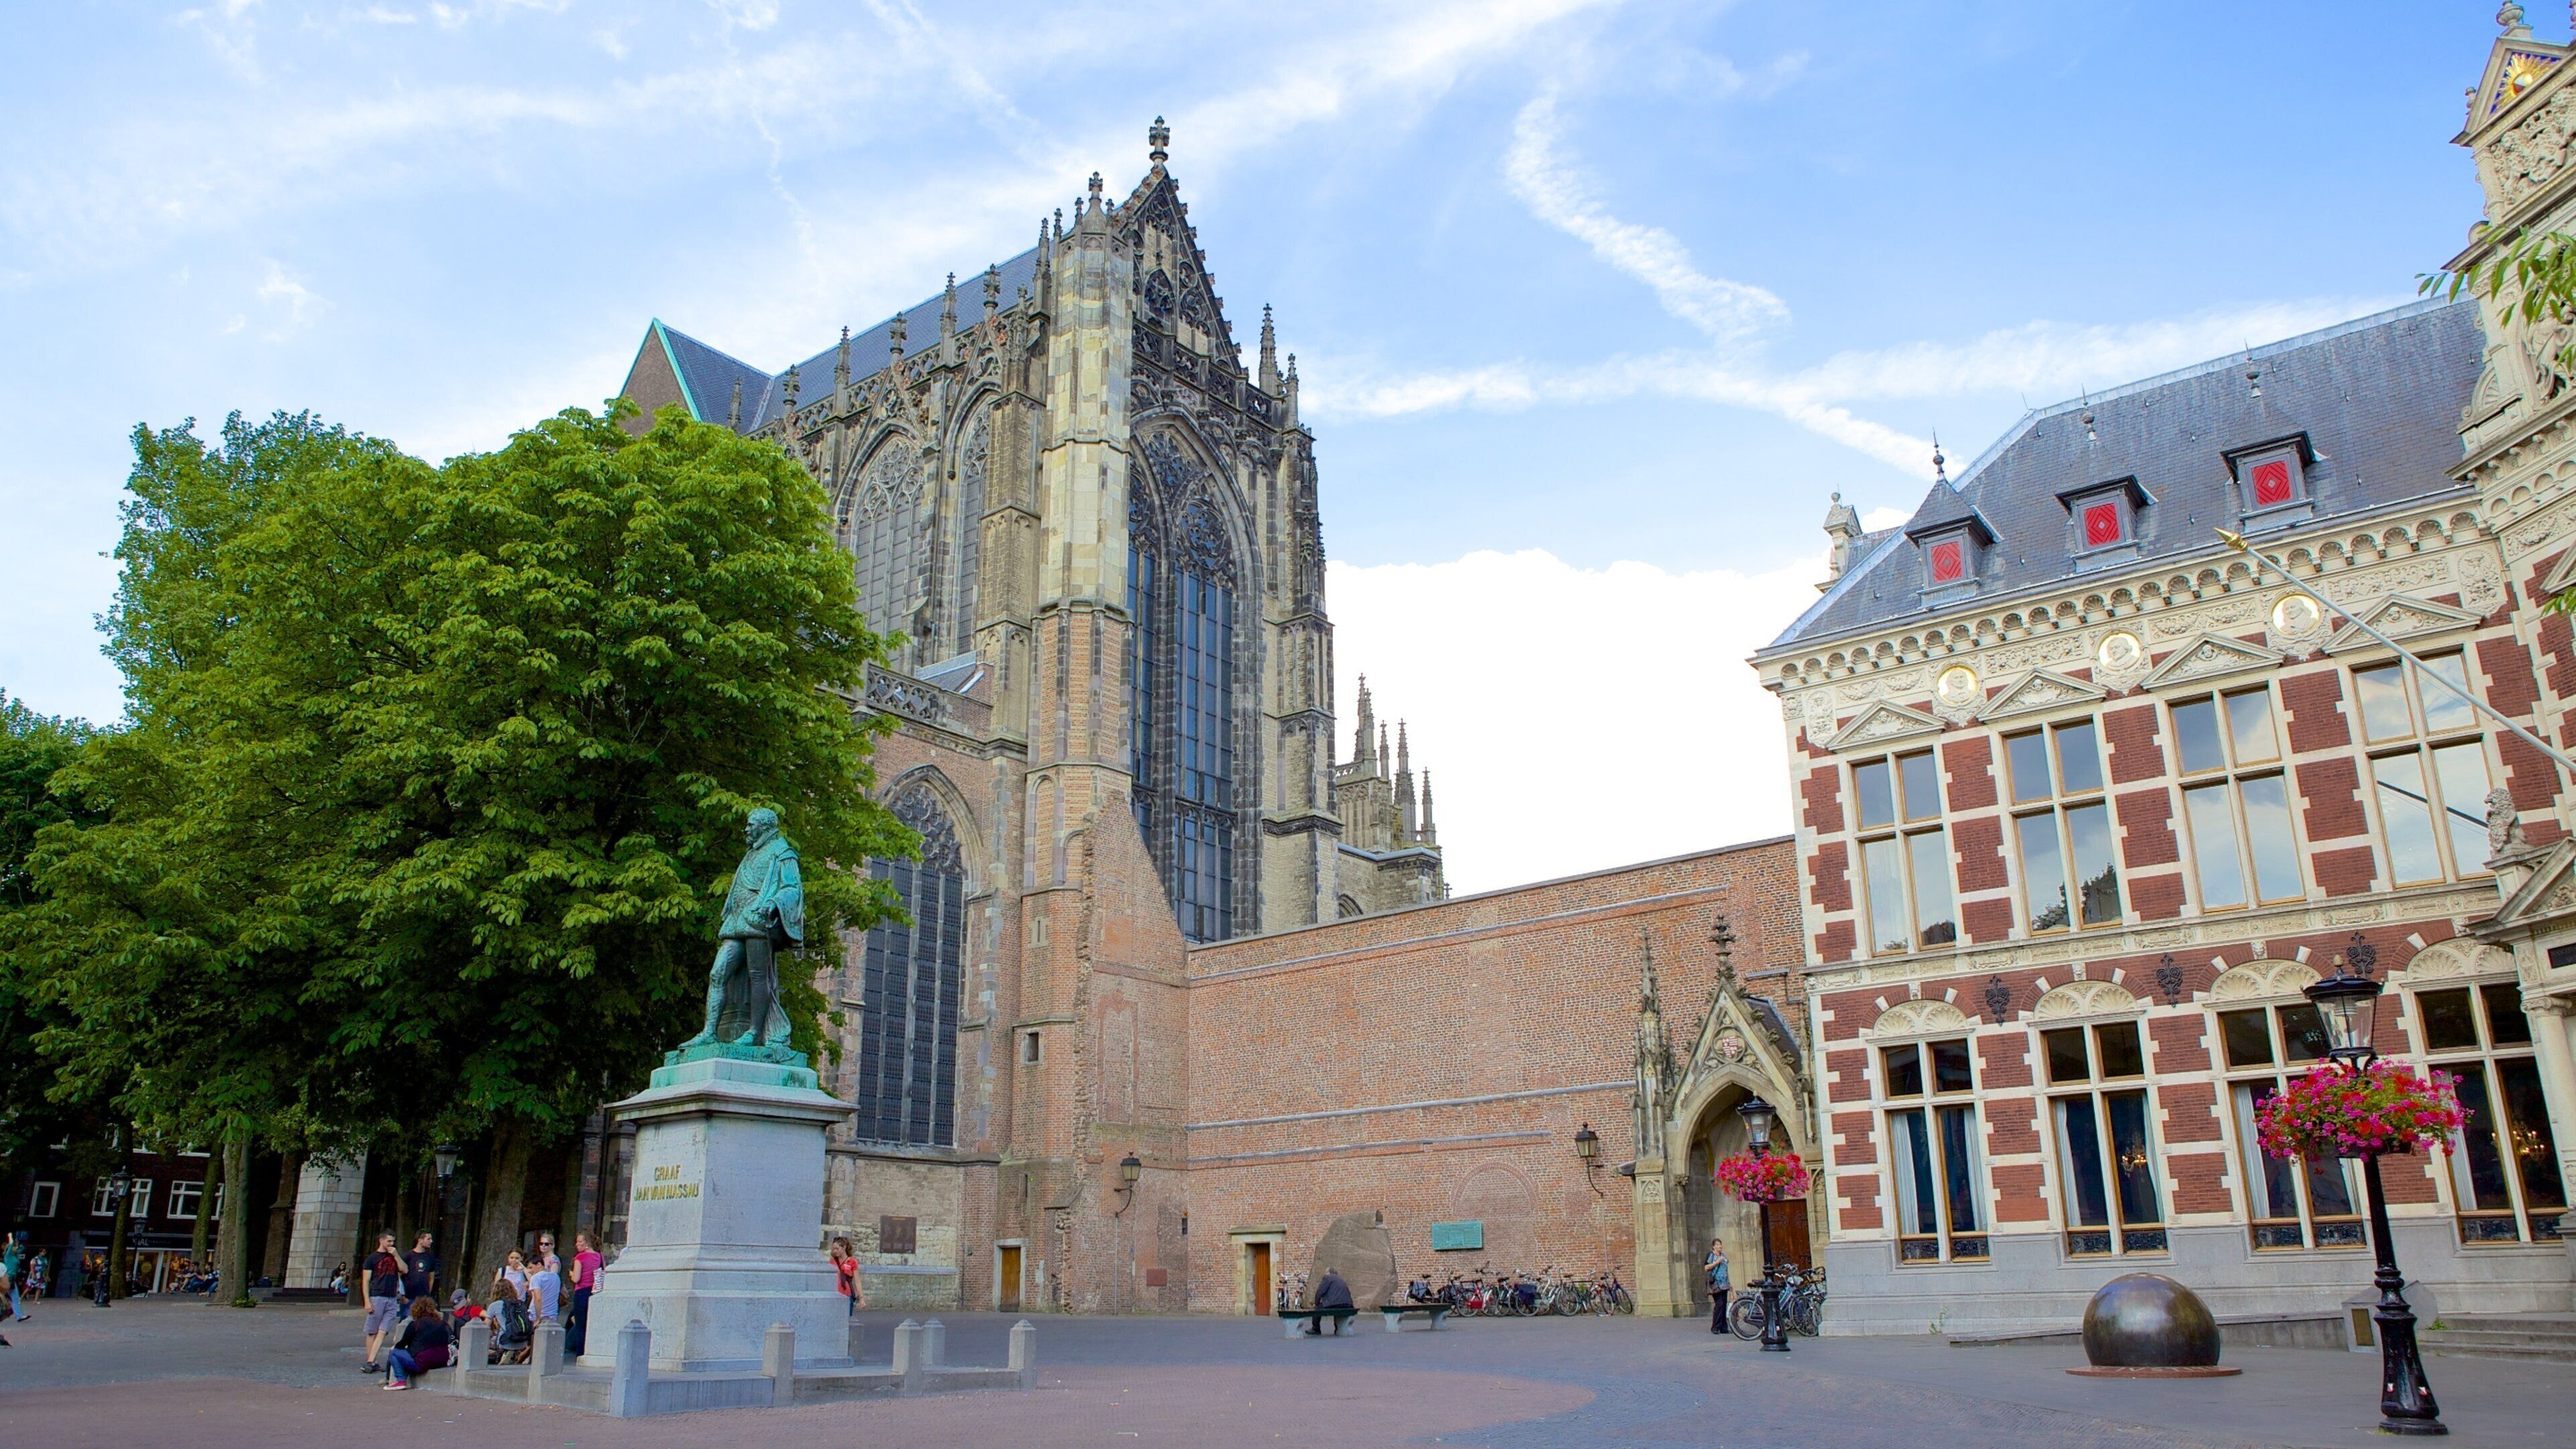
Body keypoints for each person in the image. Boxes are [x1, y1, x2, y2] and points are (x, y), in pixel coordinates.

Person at [382, 1297, 451, 1391]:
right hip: (442, 1360)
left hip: (423, 1361)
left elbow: (402, 1344)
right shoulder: (442, 1324)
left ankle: (400, 1380)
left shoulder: (416, 1324)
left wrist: (395, 1347)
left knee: (394, 1353)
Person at [360, 1232, 405, 1374]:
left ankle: (370, 1361)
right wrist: (367, 1301)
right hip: (377, 1296)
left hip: (392, 1298)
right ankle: (371, 1361)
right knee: (372, 1331)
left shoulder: (394, 1256)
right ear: (381, 1240)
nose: (391, 1244)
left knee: (383, 1330)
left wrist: (396, 1255)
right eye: (389, 1241)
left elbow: (404, 1269)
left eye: (393, 1241)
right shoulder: (372, 1259)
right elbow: (366, 1281)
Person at [565, 1232, 602, 1356]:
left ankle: (580, 1354)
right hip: (594, 1291)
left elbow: (576, 1279)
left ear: (587, 1243)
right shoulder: (599, 1256)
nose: (577, 1244)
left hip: (581, 1292)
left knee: (580, 1325)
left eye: (580, 1242)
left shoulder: (580, 1258)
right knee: (591, 1323)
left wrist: (571, 1274)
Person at [486, 1279, 534, 1364]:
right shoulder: (520, 1304)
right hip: (522, 1341)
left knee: (492, 1340)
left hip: (505, 1341)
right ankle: (515, 1353)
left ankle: (503, 1353)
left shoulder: (494, 1305)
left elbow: (485, 1327)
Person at [1305, 1267, 1354, 1336]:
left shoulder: (1327, 1278)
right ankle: (1338, 1328)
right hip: (1348, 1305)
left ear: (1329, 1273)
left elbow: (1320, 1291)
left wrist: (1316, 1303)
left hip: (1334, 1304)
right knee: (1337, 1307)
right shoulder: (1341, 1279)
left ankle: (1315, 1329)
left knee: (1317, 1308)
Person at [401, 1231, 439, 1303]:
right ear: (420, 1240)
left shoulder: (430, 1258)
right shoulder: (408, 1256)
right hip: (409, 1298)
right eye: (428, 1239)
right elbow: (399, 1276)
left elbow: (431, 1278)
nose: (431, 1241)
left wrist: (428, 1294)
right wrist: (402, 1296)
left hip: (424, 1298)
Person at [527, 1250, 561, 1326]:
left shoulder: (535, 1278)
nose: (530, 1271)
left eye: (531, 1267)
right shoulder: (556, 1277)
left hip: (537, 1316)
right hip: (552, 1316)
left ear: (539, 1265)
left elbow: (538, 1298)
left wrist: (538, 1318)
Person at [1705, 1238, 1730, 1334]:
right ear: (1713, 1246)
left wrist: (1730, 1285)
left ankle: (1724, 1328)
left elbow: (1725, 1270)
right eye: (1717, 1244)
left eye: (1720, 1244)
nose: (1719, 1246)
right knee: (1719, 1304)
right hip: (1716, 1284)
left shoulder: (1723, 1256)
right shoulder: (1711, 1256)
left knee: (1724, 1305)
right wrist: (1717, 1262)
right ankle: (1715, 1327)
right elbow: (1706, 1268)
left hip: (1724, 1284)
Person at [829, 1237, 859, 1316]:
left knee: (846, 1317)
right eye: (834, 1249)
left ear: (844, 1248)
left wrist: (861, 1297)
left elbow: (857, 1281)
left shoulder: (852, 1261)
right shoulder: (832, 1261)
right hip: (835, 1293)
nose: (835, 1251)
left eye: (837, 1249)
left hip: (847, 1294)